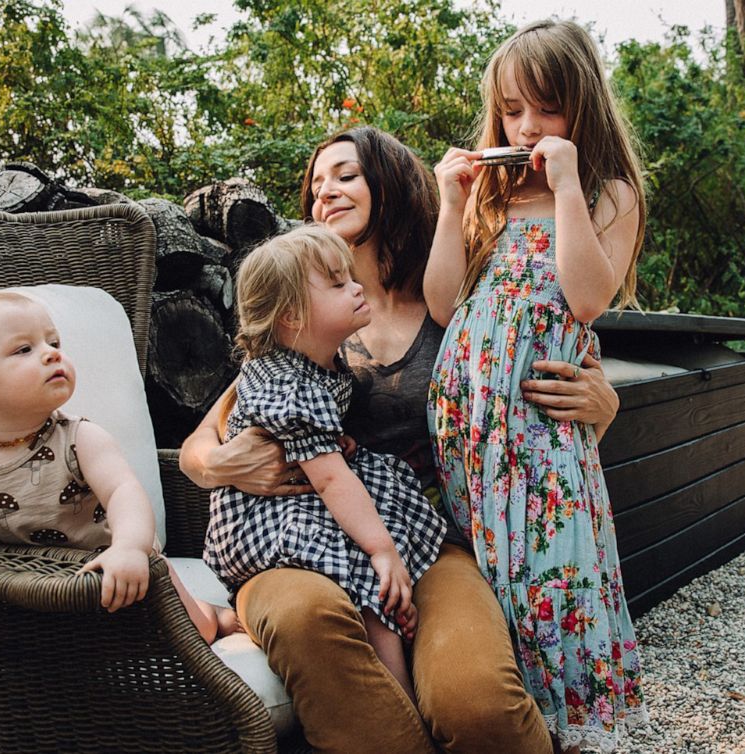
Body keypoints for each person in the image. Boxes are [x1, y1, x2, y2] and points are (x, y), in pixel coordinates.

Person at [181, 126, 619, 754]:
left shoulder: (452, 294)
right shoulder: (299, 318)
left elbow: (559, 386)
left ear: (387, 183)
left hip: (429, 533)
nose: (324, 193)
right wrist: (220, 465)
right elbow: (204, 444)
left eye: (345, 175)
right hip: (301, 544)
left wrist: (605, 404)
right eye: (316, 184)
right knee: (309, 621)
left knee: (478, 706)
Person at [424, 19, 649, 752]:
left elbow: (585, 298)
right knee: (493, 590)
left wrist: (566, 186)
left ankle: (574, 735)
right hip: (470, 436)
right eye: (511, 109)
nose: (525, 126)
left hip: (542, 437)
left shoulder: (607, 193)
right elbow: (441, 302)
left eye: (544, 108)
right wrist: (452, 203)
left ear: (580, 105)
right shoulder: (488, 199)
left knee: (555, 581)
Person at [0, 291, 239, 643]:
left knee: (196, 631)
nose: (51, 355)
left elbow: (123, 491)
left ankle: (213, 615)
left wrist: (130, 547)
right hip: (23, 580)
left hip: (109, 565)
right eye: (24, 349)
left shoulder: (80, 439)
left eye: (54, 343)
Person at [204, 225, 447, 701]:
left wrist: (333, 441)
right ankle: (400, 705)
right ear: (291, 316)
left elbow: (322, 453)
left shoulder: (318, 359)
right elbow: (331, 478)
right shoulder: (287, 383)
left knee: (373, 547)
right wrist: (382, 550)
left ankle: (399, 656)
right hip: (272, 517)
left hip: (307, 496)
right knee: (370, 582)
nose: (356, 287)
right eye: (338, 285)